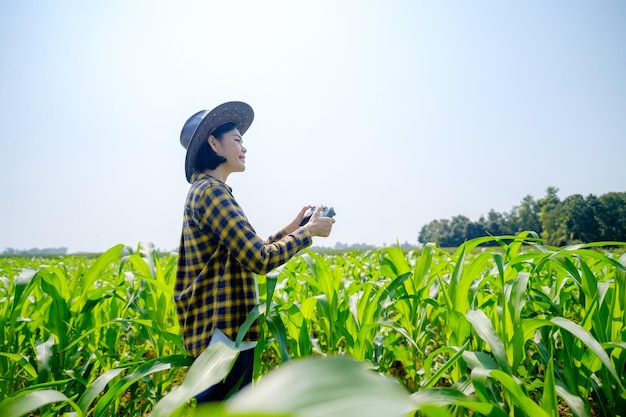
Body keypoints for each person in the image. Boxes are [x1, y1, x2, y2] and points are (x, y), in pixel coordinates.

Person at [174, 101, 335, 402]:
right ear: (213, 143)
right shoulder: (212, 192)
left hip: (220, 336)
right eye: (237, 140)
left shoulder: (207, 191)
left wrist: (291, 229)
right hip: (222, 339)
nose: (244, 148)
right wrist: (308, 231)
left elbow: (247, 250)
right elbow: (258, 260)